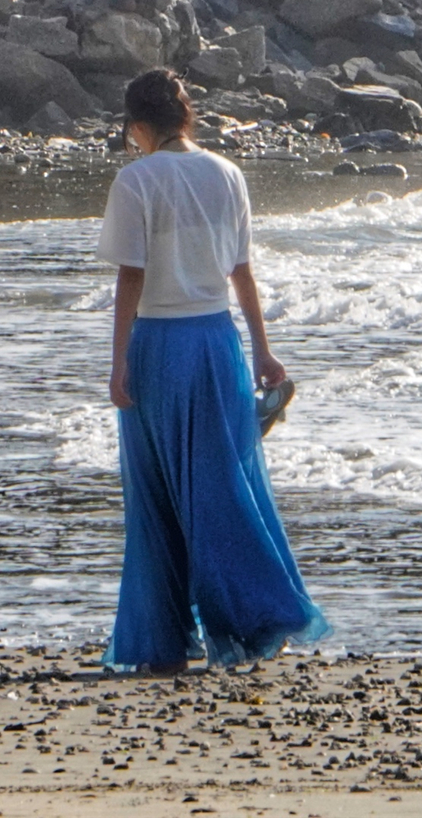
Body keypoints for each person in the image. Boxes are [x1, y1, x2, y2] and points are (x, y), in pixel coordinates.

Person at [98, 67, 327, 674]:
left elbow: (131, 276)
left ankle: (169, 635)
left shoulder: (136, 180)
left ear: (138, 126)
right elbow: (242, 272)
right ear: (186, 118)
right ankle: (259, 615)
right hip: (219, 342)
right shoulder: (227, 174)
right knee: (226, 487)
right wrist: (263, 350)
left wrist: (118, 361)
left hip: (161, 348)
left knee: (156, 496)